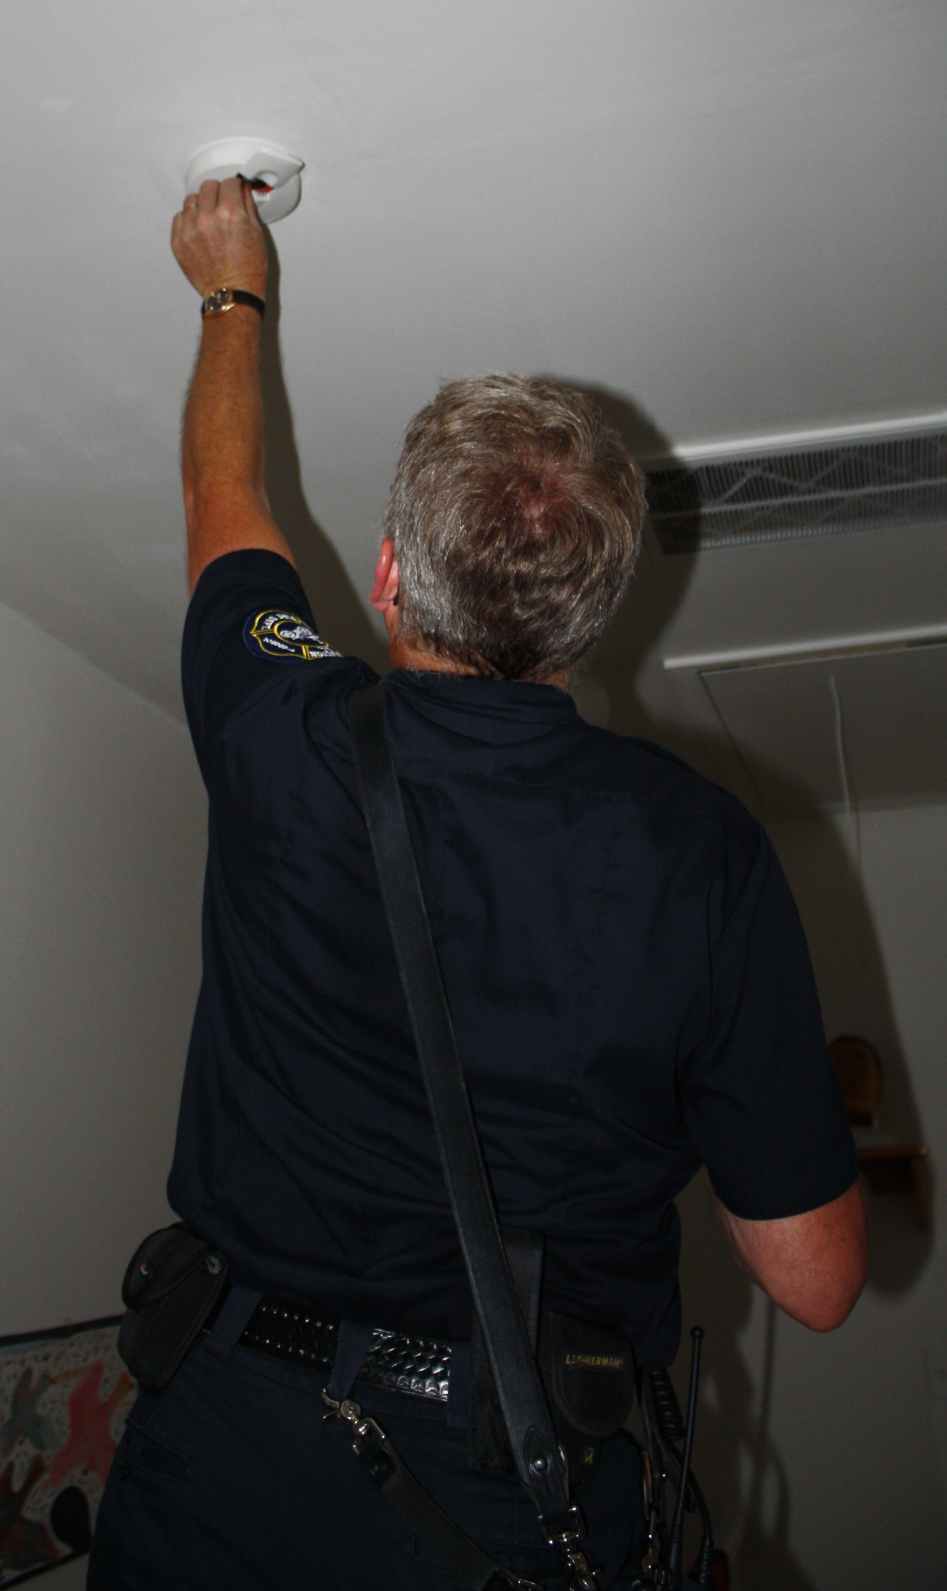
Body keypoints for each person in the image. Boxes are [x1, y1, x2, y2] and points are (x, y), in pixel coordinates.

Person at [88, 177, 866, 1591]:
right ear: (586, 619)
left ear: (389, 578)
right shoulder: (705, 852)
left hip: (231, 1458)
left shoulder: (287, 731)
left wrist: (230, 286)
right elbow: (814, 1285)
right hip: (518, 1490)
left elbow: (224, 497)